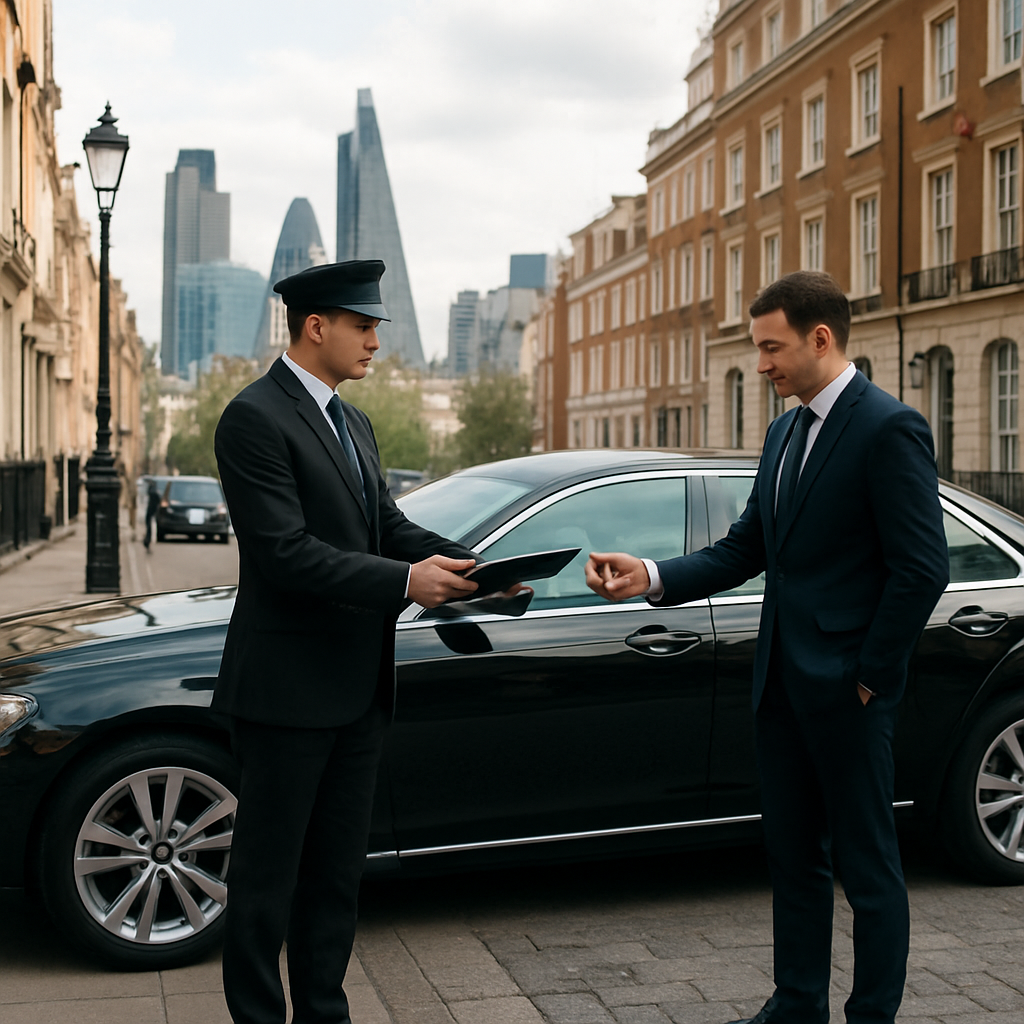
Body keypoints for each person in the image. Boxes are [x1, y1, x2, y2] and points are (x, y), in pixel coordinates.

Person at [585, 271, 949, 1024]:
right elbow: (746, 547)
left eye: (771, 347)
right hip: (779, 688)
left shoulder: (890, 428)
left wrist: (872, 677)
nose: (761, 365)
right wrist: (648, 575)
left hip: (850, 693)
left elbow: (922, 569)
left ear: (821, 338)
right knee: (793, 859)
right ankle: (797, 1004)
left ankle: (871, 1014)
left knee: (870, 869)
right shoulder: (783, 431)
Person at [214, 259, 482, 1024]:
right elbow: (284, 552)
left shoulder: (353, 420)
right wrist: (405, 584)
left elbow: (388, 530)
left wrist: (481, 569)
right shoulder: (253, 417)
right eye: (363, 327)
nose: (375, 342)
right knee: (266, 886)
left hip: (360, 692)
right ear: (316, 327)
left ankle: (326, 1015)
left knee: (336, 879)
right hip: (287, 695)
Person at [142, 478, 160, 551]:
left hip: (151, 510)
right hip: (152, 510)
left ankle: (147, 539)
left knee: (149, 524)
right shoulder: (154, 492)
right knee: (149, 525)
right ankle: (147, 539)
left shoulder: (152, 492)